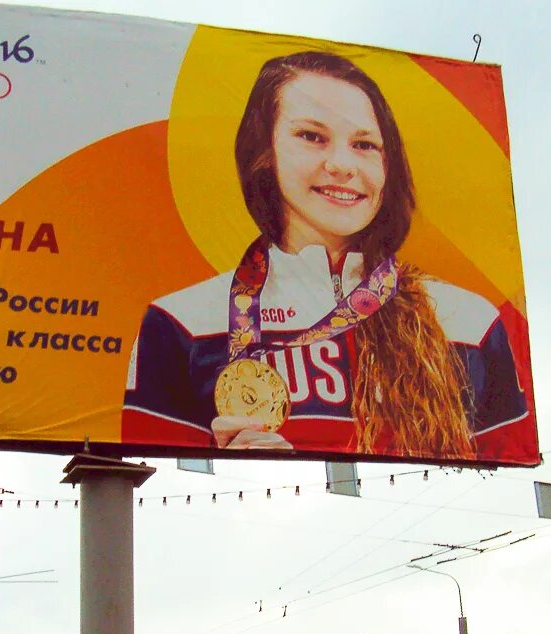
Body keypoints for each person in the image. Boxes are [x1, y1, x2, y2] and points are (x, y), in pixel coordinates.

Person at [123, 50, 529, 461]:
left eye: (365, 144)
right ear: (264, 151)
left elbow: (501, 483)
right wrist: (233, 467)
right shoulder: (180, 322)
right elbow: (159, 489)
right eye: (312, 136)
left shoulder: (469, 321)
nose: (341, 164)